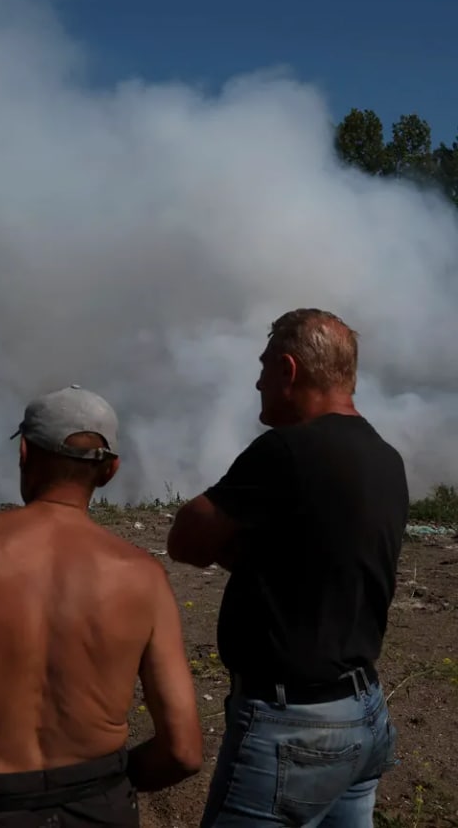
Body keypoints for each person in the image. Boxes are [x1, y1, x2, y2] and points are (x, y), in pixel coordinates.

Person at [0, 385, 203, 828]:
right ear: (110, 471)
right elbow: (184, 752)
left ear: (24, 453)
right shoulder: (143, 576)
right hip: (99, 808)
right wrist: (103, 785)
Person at [167, 309, 406, 827]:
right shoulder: (386, 457)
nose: (257, 381)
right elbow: (319, 559)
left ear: (289, 370)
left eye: (263, 366)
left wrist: (233, 549)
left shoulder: (285, 452)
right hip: (363, 711)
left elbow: (185, 538)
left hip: (293, 726)